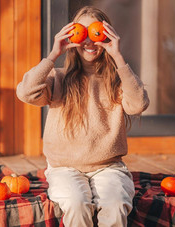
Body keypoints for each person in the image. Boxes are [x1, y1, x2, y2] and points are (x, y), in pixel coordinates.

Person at [16, 6, 149, 227]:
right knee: (77, 203)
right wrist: (53, 54)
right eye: (82, 33)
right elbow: (25, 92)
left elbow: (138, 104)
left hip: (108, 167)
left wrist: (117, 55)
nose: (88, 40)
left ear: (106, 35)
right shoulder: (57, 78)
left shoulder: (118, 80)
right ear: (72, 37)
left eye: (95, 33)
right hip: (63, 168)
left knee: (116, 205)